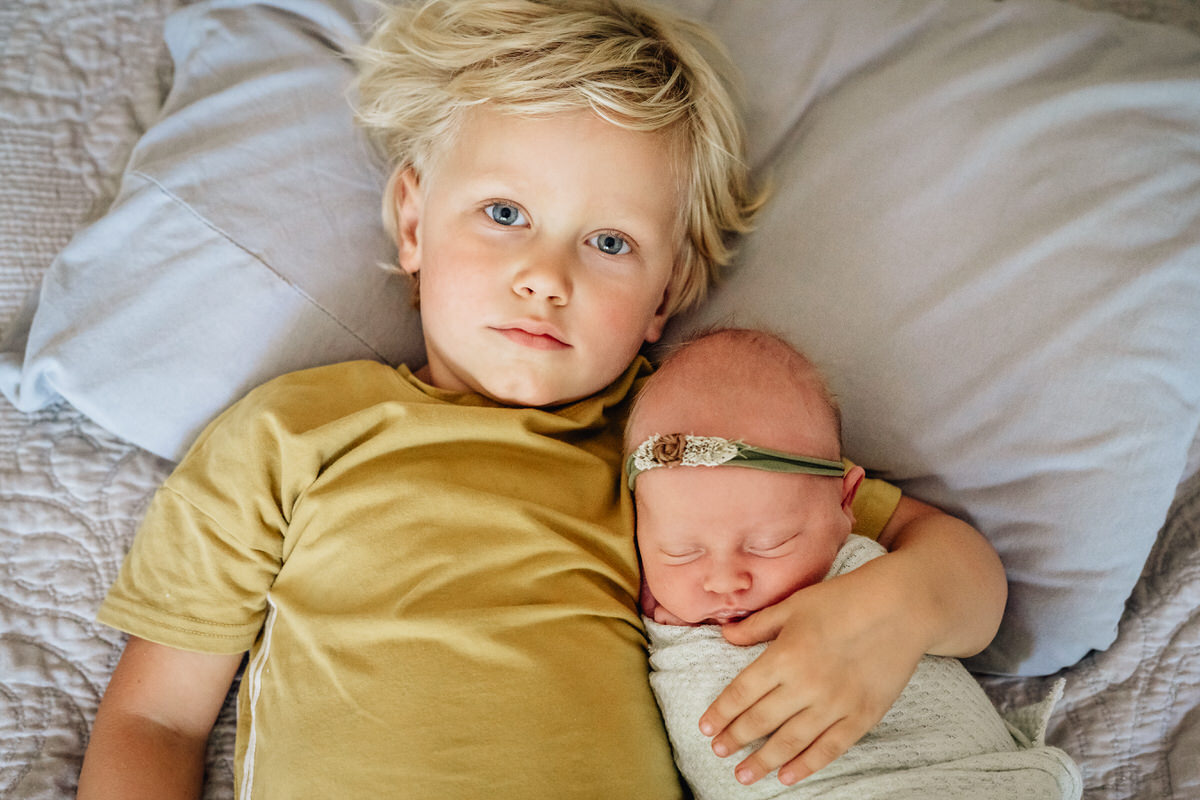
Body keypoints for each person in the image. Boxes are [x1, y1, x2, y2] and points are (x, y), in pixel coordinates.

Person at [77, 1, 1006, 797]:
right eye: (506, 215)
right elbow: (155, 717)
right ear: (413, 220)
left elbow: (966, 575)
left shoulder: (682, 444)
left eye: (607, 243)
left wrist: (891, 614)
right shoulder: (293, 432)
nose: (544, 279)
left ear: (668, 294)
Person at [627, 328, 1081, 799]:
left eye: (769, 543)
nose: (724, 581)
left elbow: (977, 591)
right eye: (681, 550)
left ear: (845, 500)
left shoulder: (859, 558)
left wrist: (897, 599)